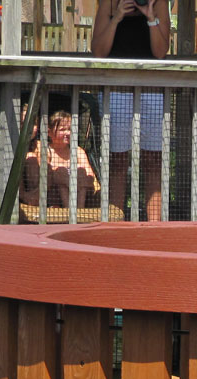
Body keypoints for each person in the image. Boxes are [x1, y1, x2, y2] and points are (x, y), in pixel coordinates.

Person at [91, 0, 171, 220]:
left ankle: (155, 227)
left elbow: (161, 52)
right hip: (116, 88)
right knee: (117, 161)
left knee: (153, 160)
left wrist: (151, 18)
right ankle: (115, 223)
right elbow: (98, 51)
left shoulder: (158, 3)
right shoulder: (108, 3)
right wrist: (117, 17)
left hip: (151, 89)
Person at [20, 110, 102, 217]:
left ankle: (79, 211)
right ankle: (67, 210)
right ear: (49, 132)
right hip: (54, 196)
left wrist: (73, 181)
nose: (68, 133)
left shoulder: (78, 151)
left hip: (78, 193)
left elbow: (90, 176)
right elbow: (45, 174)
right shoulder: (45, 149)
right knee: (61, 172)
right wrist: (63, 177)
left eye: (70, 129)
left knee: (80, 170)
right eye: (62, 130)